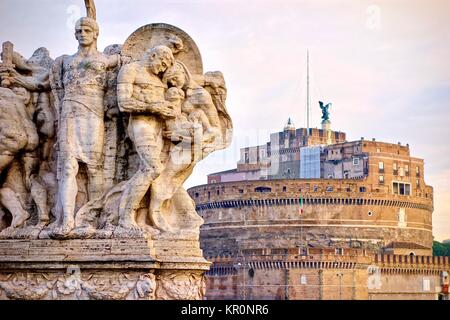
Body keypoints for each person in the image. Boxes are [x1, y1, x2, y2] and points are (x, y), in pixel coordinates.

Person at [50, 15, 119, 236]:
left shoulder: (108, 60)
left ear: (95, 33)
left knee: (93, 168)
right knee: (69, 166)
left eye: (86, 30)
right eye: (78, 31)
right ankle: (67, 219)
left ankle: (92, 217)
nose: (82, 34)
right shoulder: (64, 61)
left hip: (93, 115)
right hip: (70, 114)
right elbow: (43, 83)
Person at [116, 45, 176, 231]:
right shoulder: (130, 70)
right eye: (162, 62)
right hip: (140, 124)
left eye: (167, 65)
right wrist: (154, 107)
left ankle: (141, 217)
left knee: (150, 170)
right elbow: (123, 102)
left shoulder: (159, 79)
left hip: (158, 128)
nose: (163, 67)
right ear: (153, 54)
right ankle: (125, 216)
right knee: (152, 167)